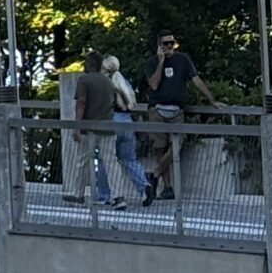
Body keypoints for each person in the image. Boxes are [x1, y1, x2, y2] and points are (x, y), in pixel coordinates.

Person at [144, 29, 219, 200]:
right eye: (166, 43)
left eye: (172, 42)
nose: (170, 46)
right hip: (157, 108)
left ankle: (154, 174)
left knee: (177, 144)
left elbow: (196, 79)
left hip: (176, 110)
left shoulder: (183, 59)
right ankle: (167, 187)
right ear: (159, 45)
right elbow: (153, 85)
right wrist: (161, 62)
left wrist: (211, 100)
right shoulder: (152, 62)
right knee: (159, 147)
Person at [102, 53, 152, 205]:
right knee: (130, 159)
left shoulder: (105, 83)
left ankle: (105, 194)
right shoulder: (124, 81)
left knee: (107, 159)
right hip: (127, 121)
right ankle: (144, 186)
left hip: (112, 121)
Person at [74, 50, 121, 206]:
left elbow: (81, 103)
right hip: (108, 126)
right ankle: (118, 196)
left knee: (82, 161)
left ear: (89, 64)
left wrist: (77, 127)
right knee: (111, 161)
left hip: (88, 128)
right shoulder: (109, 82)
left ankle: (78, 195)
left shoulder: (84, 80)